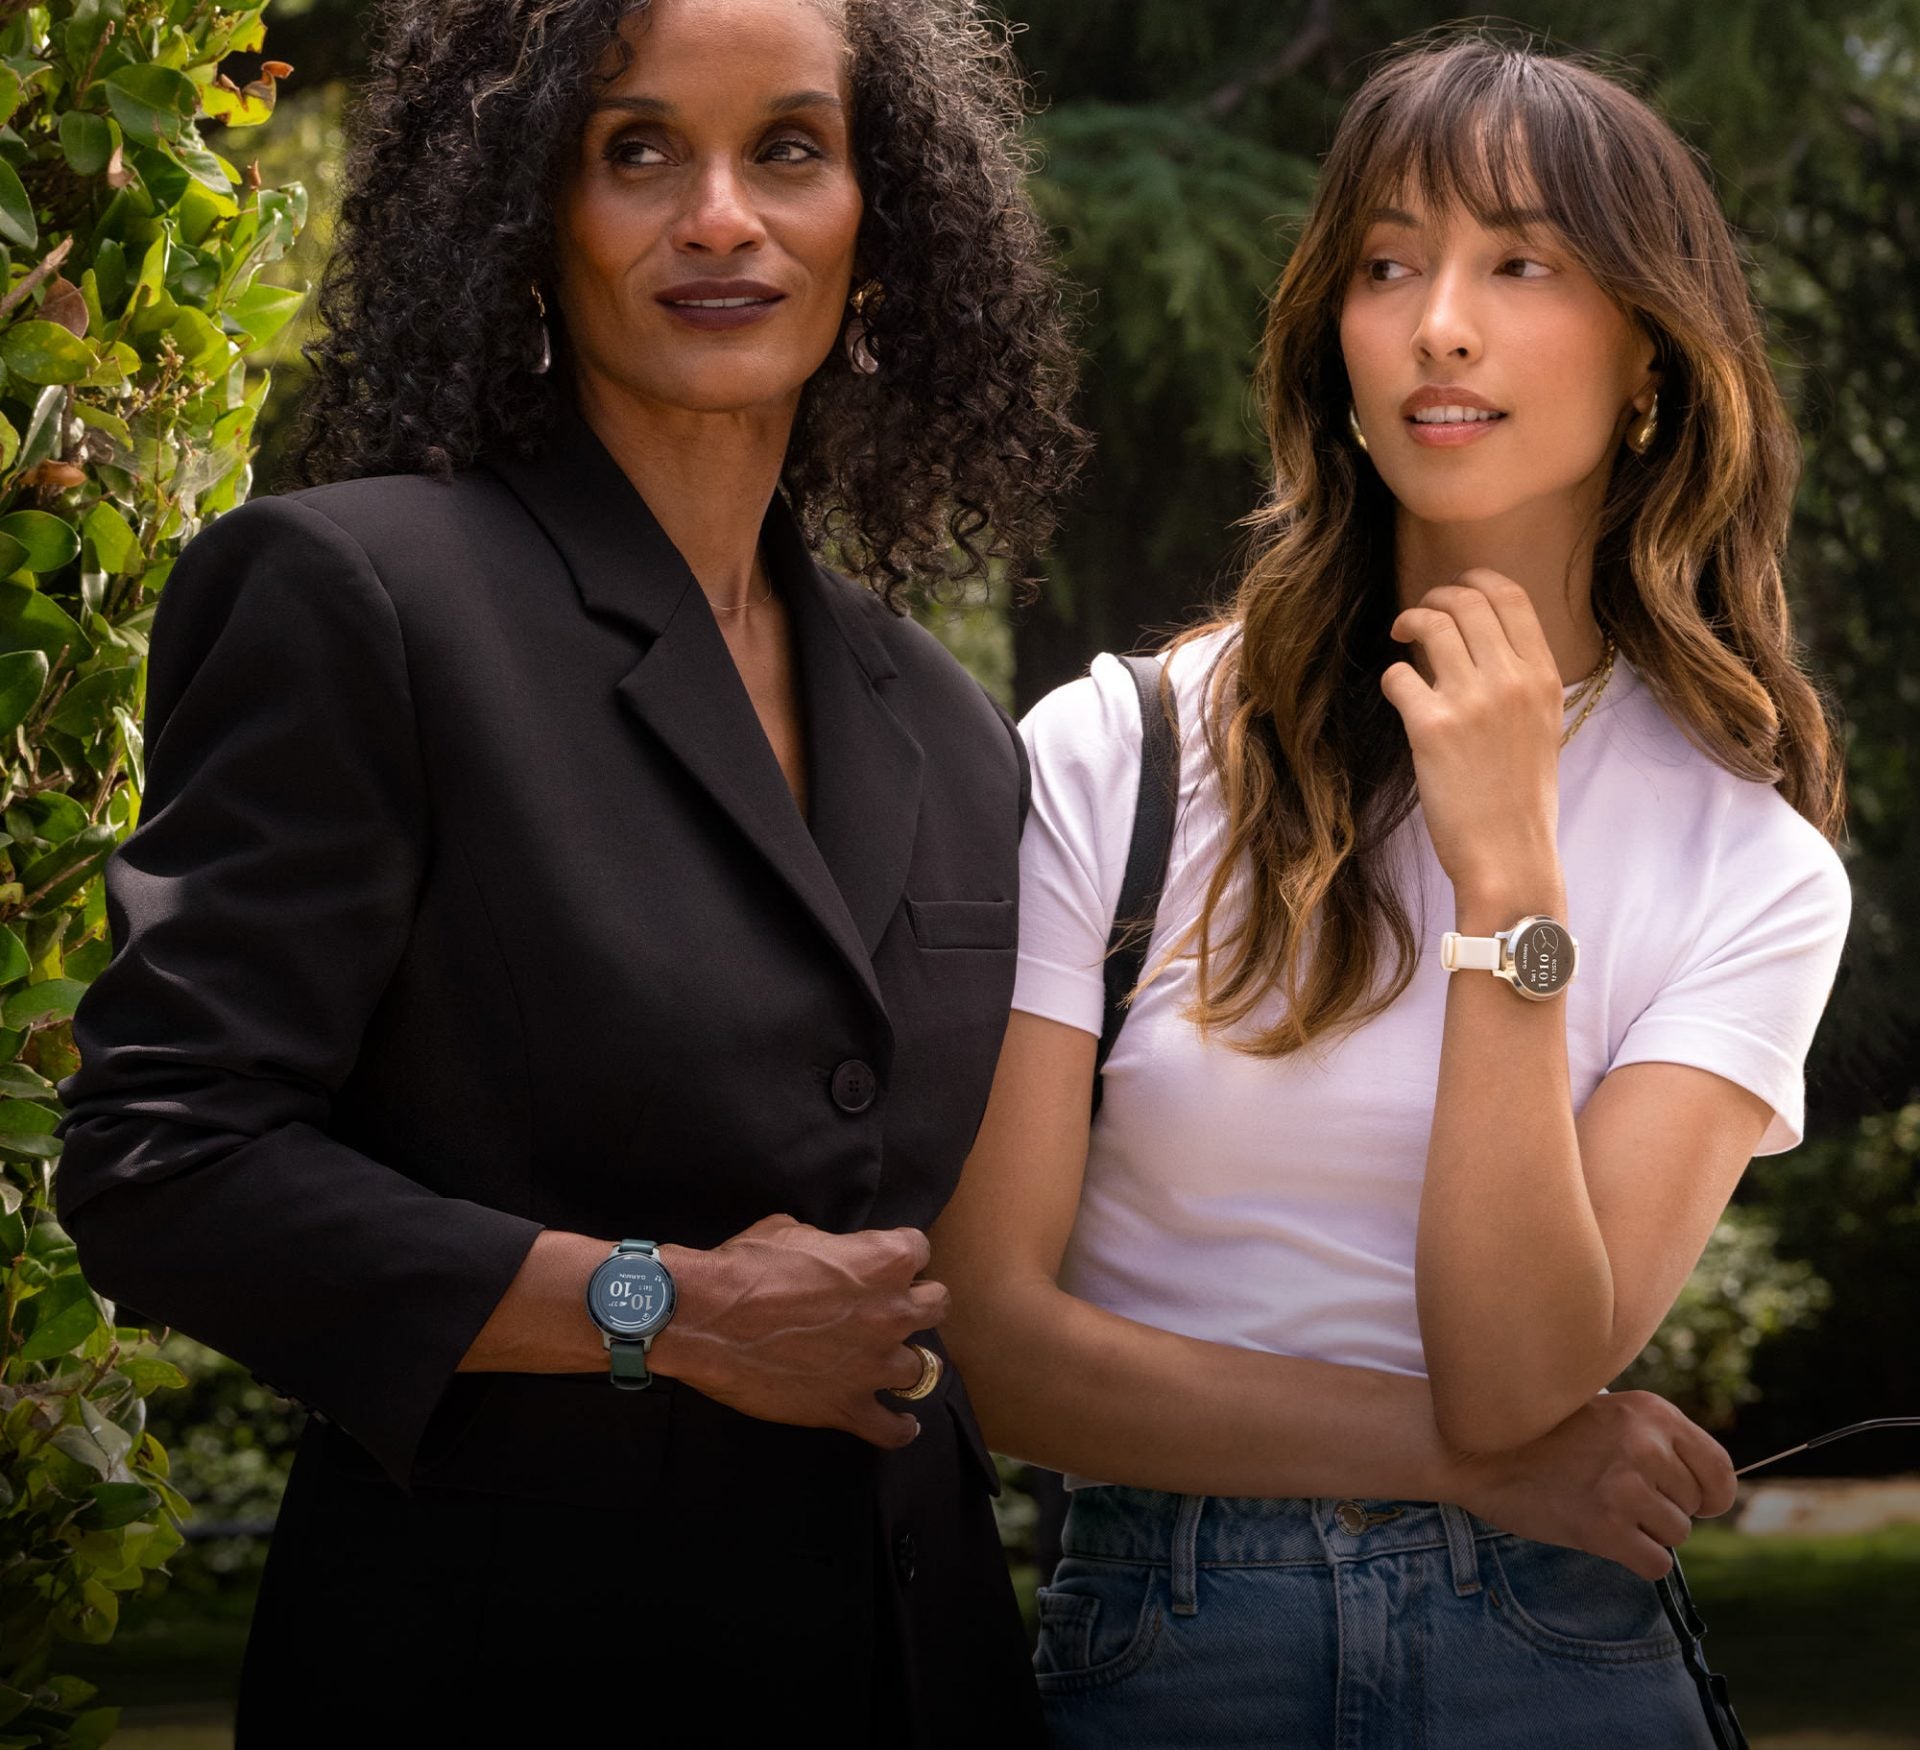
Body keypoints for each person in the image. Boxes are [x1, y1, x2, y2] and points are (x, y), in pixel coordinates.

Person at [52, 0, 1084, 1742]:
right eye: (637, 150)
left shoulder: (953, 726)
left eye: (790, 150)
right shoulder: (358, 598)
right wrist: (658, 1311)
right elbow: (162, 1161)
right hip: (502, 1676)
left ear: (880, 219)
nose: (720, 218)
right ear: (530, 209)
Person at [932, 33, 1851, 1750]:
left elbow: (1520, 1373)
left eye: (1522, 265)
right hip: (1168, 1645)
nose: (1440, 322)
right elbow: (996, 1340)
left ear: (1649, 360)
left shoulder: (1754, 866)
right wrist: (1461, 1462)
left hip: (1554, 1658)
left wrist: (1508, 879)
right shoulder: (1120, 752)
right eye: (1387, 264)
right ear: (1334, 341)